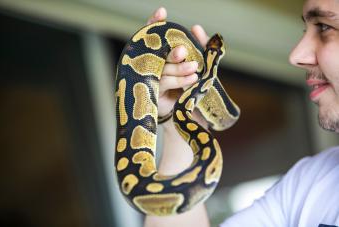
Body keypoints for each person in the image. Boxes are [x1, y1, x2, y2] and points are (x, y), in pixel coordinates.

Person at [144, 0, 339, 226]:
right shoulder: (308, 184)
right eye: (306, 30)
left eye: (324, 27)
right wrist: (182, 124)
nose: (295, 55)